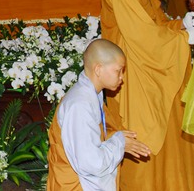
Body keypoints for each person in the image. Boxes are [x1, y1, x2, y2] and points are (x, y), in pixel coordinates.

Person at [100, 0, 194, 190]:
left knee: (170, 126)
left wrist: (181, 25)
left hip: (149, 68)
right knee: (144, 134)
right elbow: (140, 33)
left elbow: (155, 22)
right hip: (135, 75)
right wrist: (183, 39)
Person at [46, 39, 151, 190]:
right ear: (98, 69)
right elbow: (91, 163)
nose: (122, 77)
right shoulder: (79, 105)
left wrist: (120, 140)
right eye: (118, 70)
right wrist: (119, 143)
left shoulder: (92, 95)